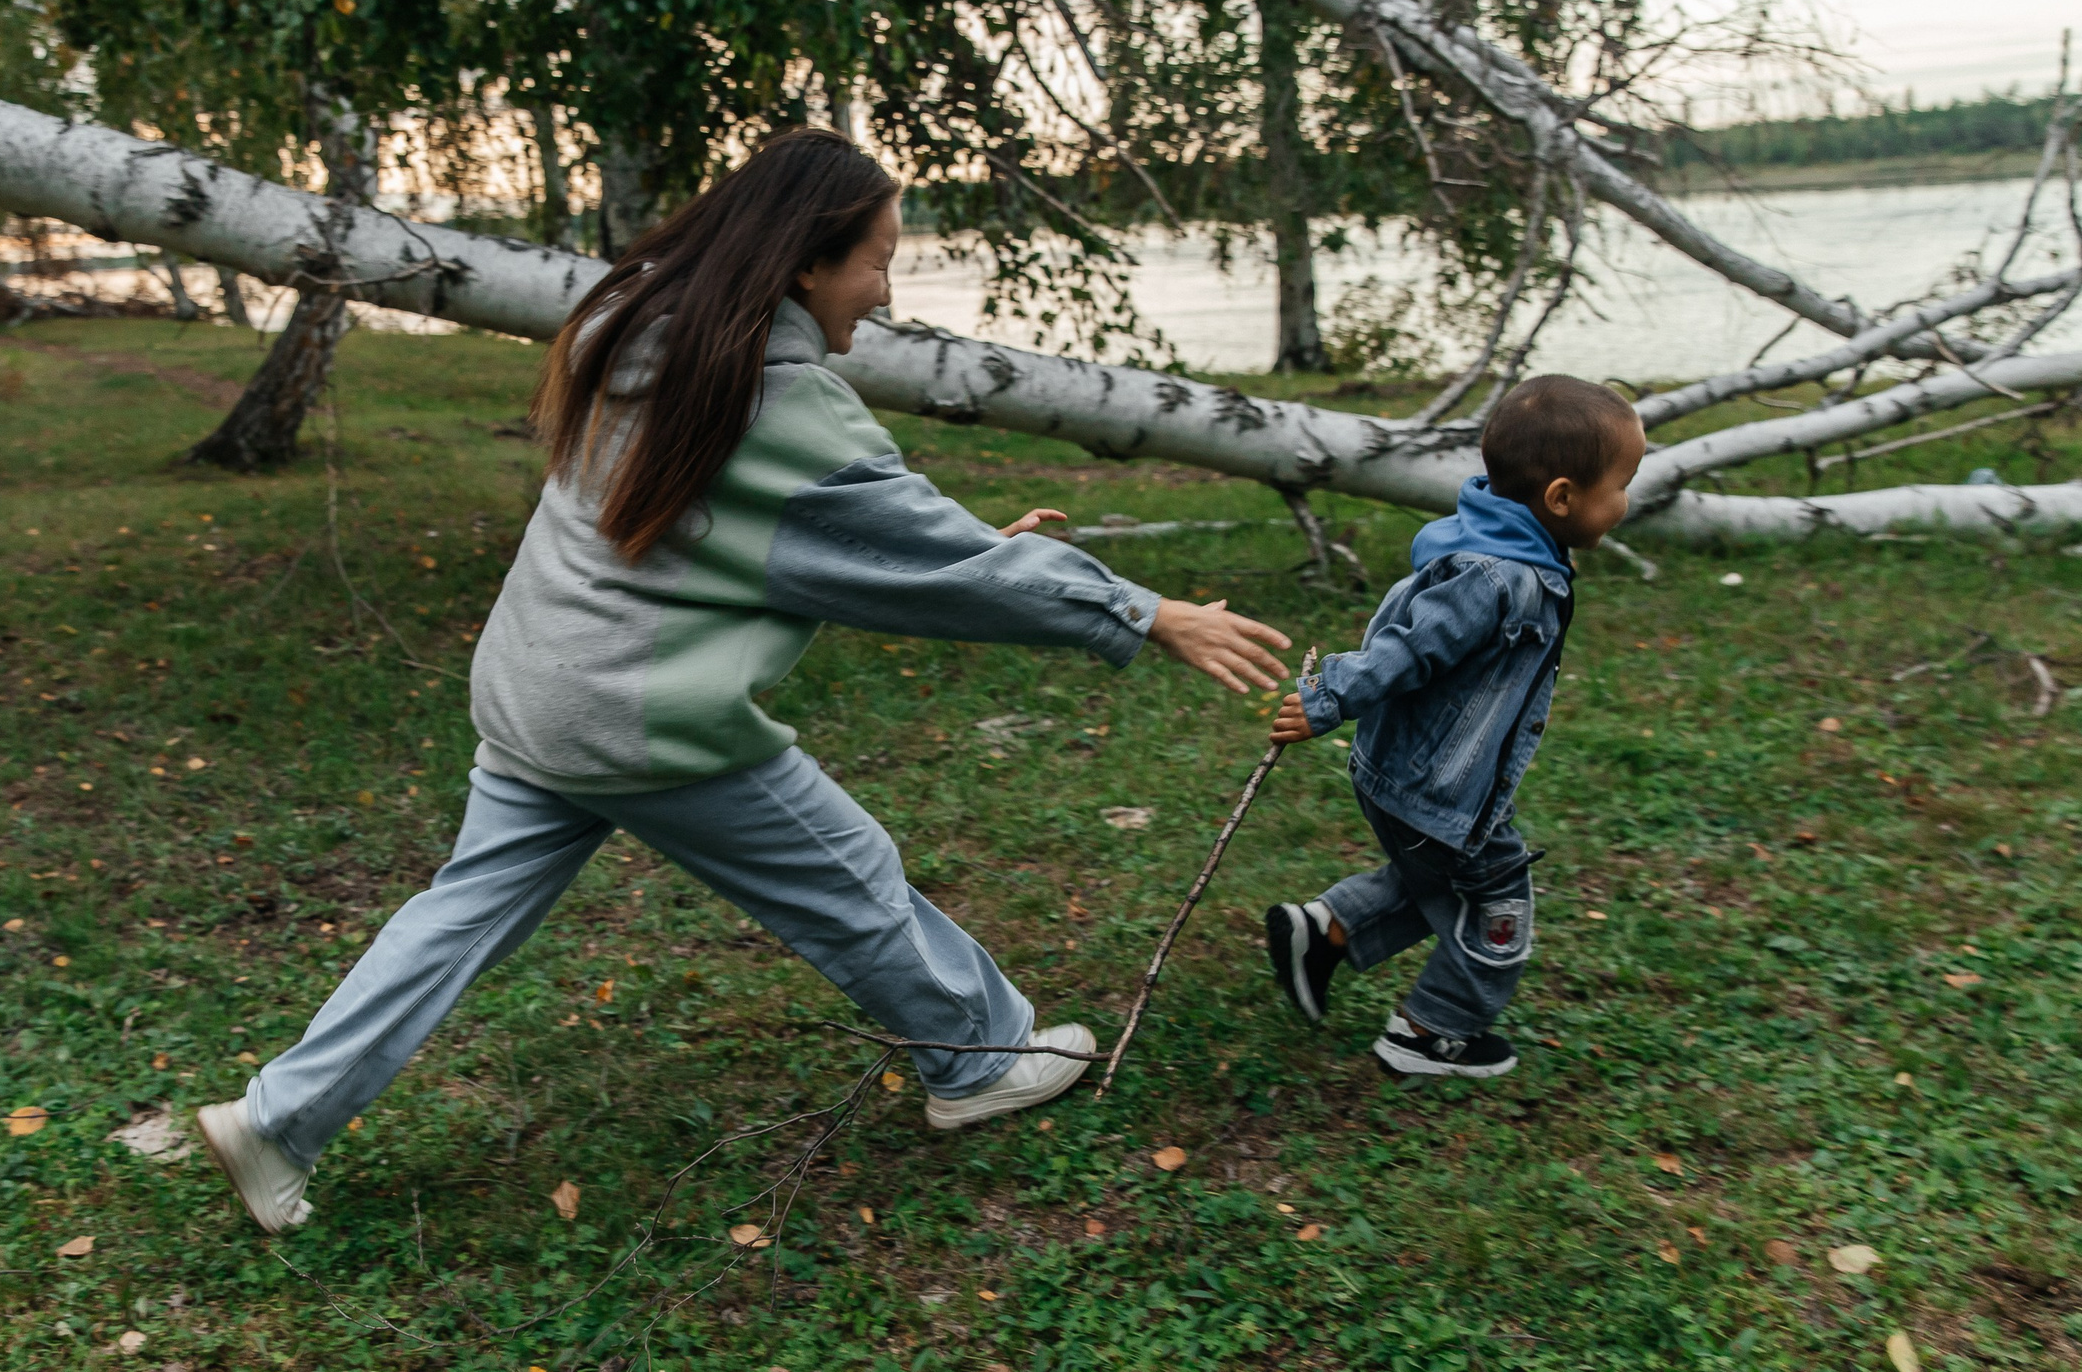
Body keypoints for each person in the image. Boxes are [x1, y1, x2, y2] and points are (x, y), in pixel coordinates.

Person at [197, 129, 1294, 1233]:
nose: (885, 286)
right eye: (877, 257)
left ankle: (275, 1118)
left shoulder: (630, 325)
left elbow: (860, 536)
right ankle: (979, 1056)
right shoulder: (770, 401)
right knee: (848, 867)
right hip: (639, 715)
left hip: (536, 687)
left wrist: (973, 552)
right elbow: (886, 533)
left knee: (456, 914)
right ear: (806, 262)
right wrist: (1144, 610)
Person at [1262, 375, 1645, 1078]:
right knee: (1498, 899)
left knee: (1435, 878)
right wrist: (1327, 695)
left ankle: (1326, 930)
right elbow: (1408, 647)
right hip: (1434, 787)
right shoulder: (1501, 577)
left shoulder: (1493, 541)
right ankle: (1431, 1030)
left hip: (1416, 780)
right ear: (1560, 498)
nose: (1626, 501)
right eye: (1621, 484)